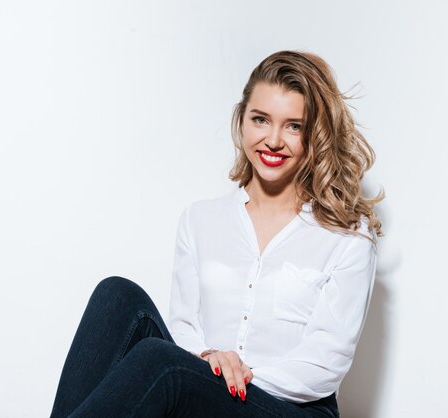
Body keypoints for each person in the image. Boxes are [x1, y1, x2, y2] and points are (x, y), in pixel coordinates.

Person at [49, 50, 384, 418]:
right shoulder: (200, 219)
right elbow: (185, 328)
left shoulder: (348, 236)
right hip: (206, 387)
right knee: (116, 295)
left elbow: (325, 362)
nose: (273, 140)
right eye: (261, 120)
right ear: (242, 121)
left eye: (293, 126)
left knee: (164, 363)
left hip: (294, 410)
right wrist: (209, 360)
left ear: (315, 136)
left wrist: (237, 373)